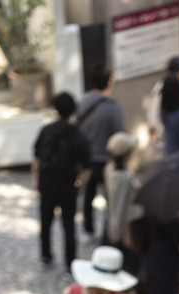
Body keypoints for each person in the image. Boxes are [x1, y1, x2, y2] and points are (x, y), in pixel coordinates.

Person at [32, 91, 91, 272]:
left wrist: (36, 180)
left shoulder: (46, 130)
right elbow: (87, 167)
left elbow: (36, 158)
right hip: (68, 184)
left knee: (46, 221)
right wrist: (81, 185)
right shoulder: (78, 135)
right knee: (68, 224)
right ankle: (70, 261)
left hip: (48, 182)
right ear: (73, 111)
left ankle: (46, 255)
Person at [76, 64, 125, 239]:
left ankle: (87, 230)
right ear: (110, 81)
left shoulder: (82, 102)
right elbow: (119, 136)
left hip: (87, 159)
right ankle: (107, 232)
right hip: (107, 159)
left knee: (88, 195)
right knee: (110, 198)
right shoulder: (113, 108)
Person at [103, 131, 142, 273]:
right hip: (126, 230)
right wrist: (122, 235)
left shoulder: (111, 167)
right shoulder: (121, 177)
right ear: (126, 154)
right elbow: (118, 208)